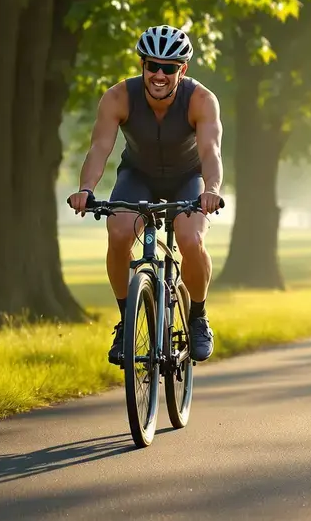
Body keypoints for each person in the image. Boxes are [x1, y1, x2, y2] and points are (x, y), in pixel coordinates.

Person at [68, 25, 224, 366]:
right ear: (142, 65)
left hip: (188, 179)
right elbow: (99, 148)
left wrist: (211, 190)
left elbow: (211, 151)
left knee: (190, 238)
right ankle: (127, 322)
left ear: (181, 70)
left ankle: (198, 317)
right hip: (137, 176)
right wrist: (86, 190)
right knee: (119, 232)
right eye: (152, 65)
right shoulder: (118, 97)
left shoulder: (200, 100)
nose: (159, 74)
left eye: (169, 68)